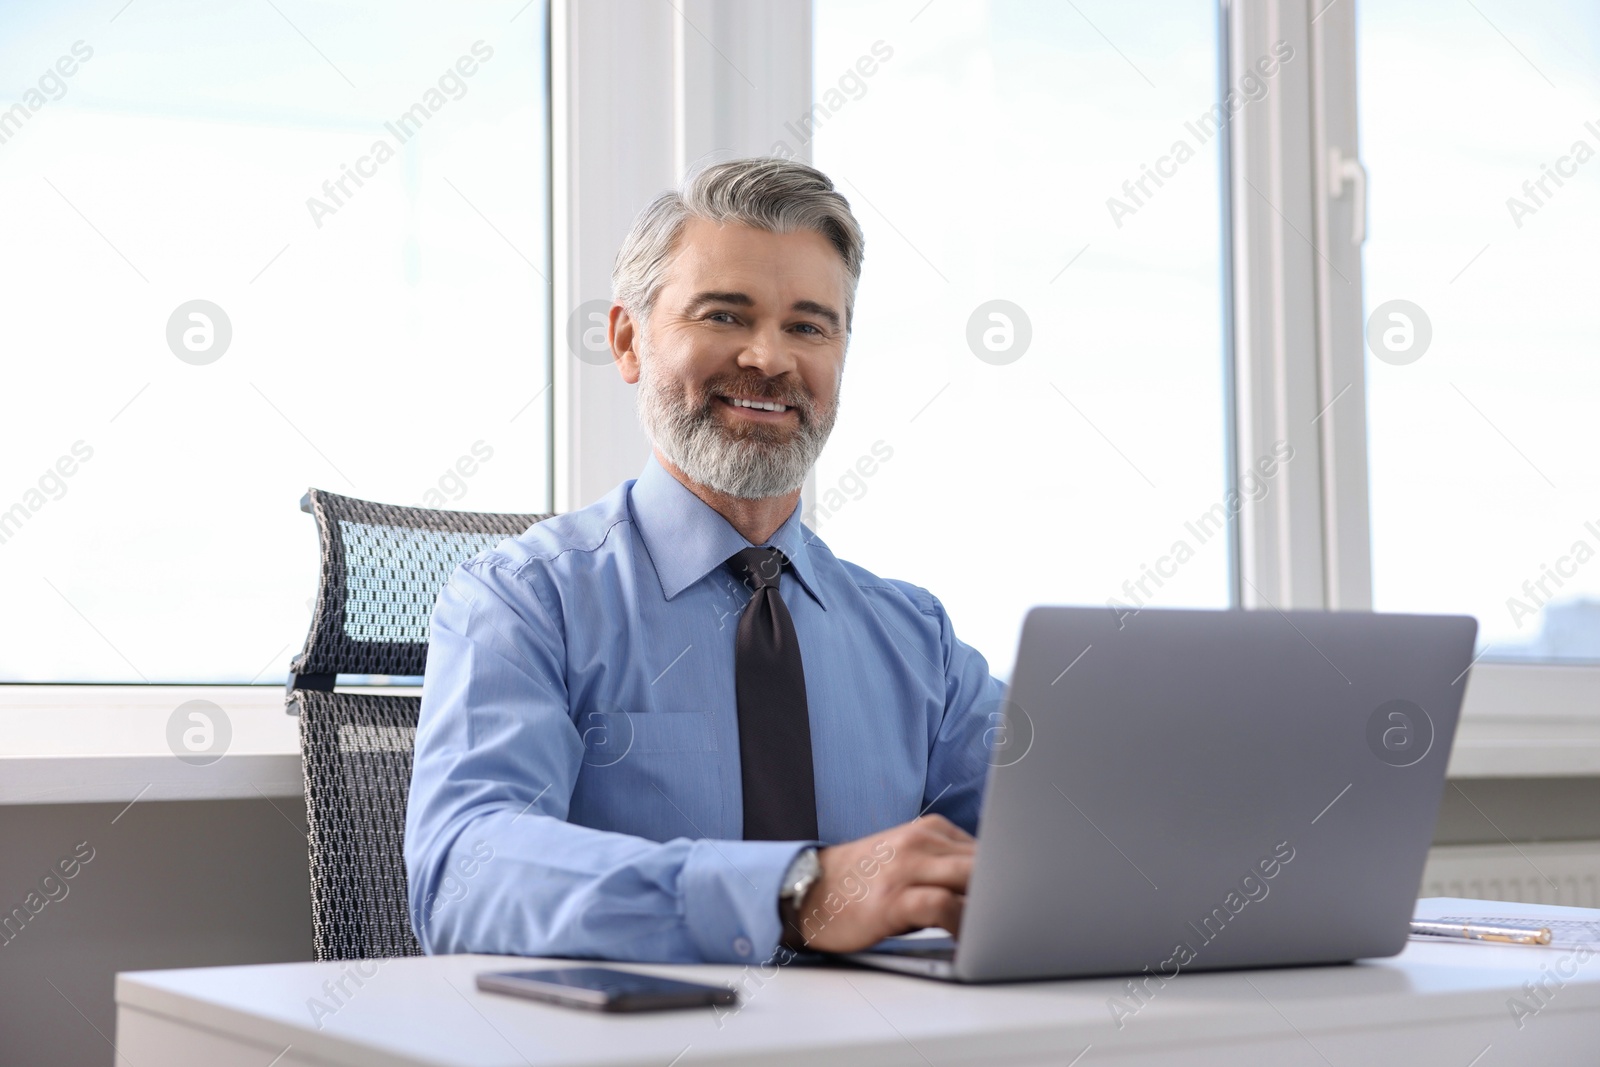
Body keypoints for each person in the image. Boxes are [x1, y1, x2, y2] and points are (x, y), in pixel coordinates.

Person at [405, 157, 1006, 965]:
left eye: (808, 326)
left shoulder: (917, 638)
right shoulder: (523, 602)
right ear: (627, 340)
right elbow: (461, 871)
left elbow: (1063, 846)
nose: (769, 359)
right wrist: (794, 890)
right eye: (725, 315)